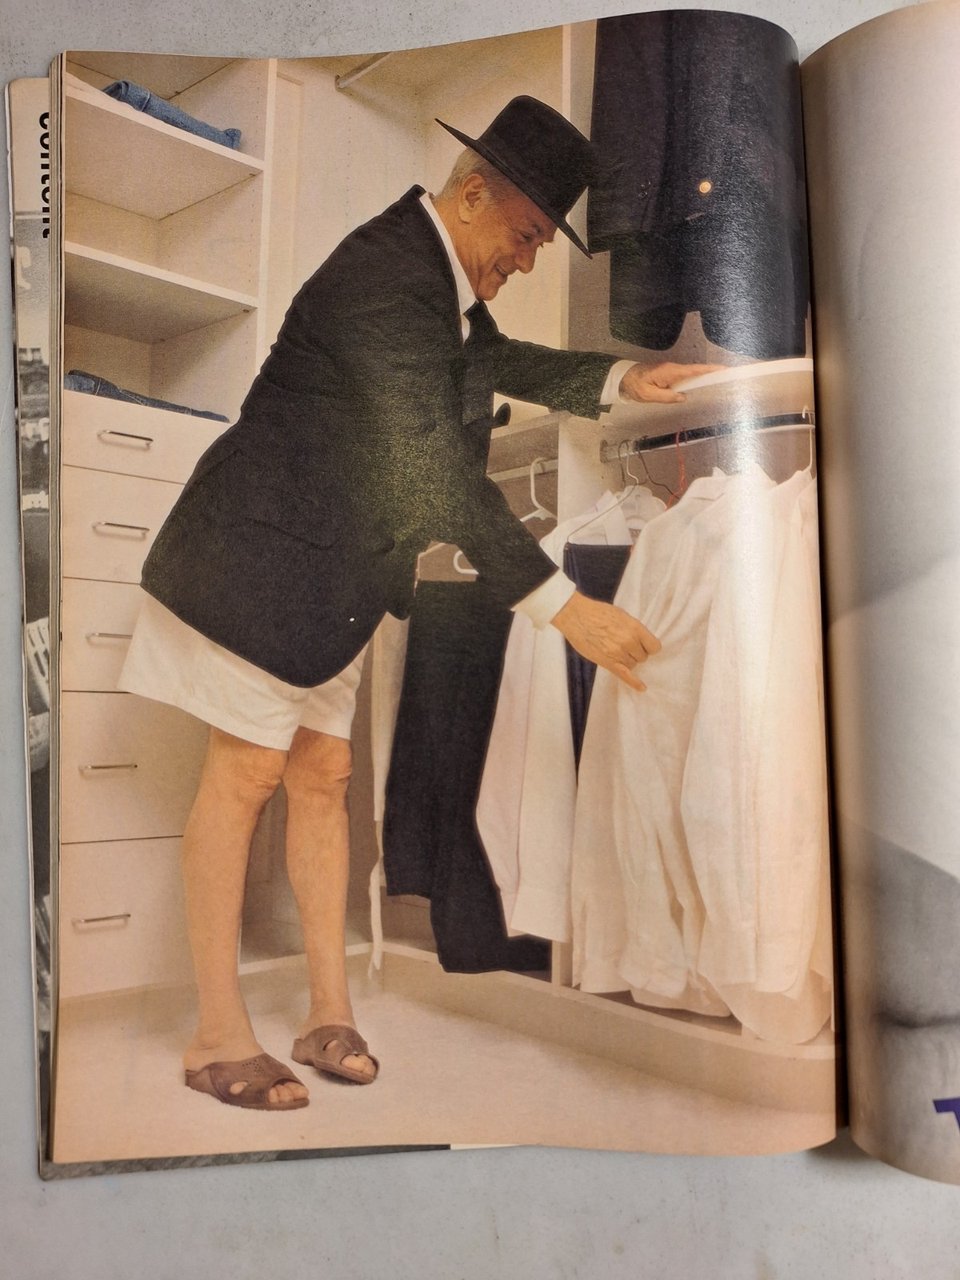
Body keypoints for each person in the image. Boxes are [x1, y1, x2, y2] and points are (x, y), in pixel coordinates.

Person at [120, 95, 719, 1111]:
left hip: (328, 578)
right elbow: (431, 465)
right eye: (526, 235)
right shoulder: (386, 274)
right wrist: (562, 605)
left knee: (324, 775)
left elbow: (495, 362)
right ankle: (215, 1034)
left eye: (540, 243)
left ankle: (326, 1009)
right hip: (255, 564)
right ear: (474, 194)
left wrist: (625, 379)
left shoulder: (434, 281)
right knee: (247, 773)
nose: (526, 259)